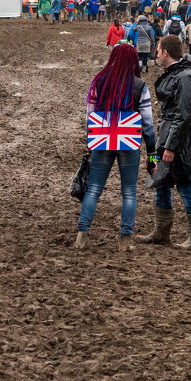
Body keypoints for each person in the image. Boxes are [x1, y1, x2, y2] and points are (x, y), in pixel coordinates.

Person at [74, 43, 155, 250]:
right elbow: (147, 122)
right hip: (129, 142)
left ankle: (82, 236)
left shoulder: (99, 81)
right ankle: (125, 240)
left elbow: (90, 116)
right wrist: (152, 152)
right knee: (129, 192)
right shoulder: (139, 85)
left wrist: (89, 142)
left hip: (101, 139)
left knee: (93, 190)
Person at [139, 34, 191, 250]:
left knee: (187, 187)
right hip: (168, 135)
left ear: (165, 53)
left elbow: (183, 114)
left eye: (157, 51)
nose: (155, 55)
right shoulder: (176, 73)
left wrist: (170, 146)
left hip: (184, 141)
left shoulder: (185, 77)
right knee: (160, 182)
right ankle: (161, 233)